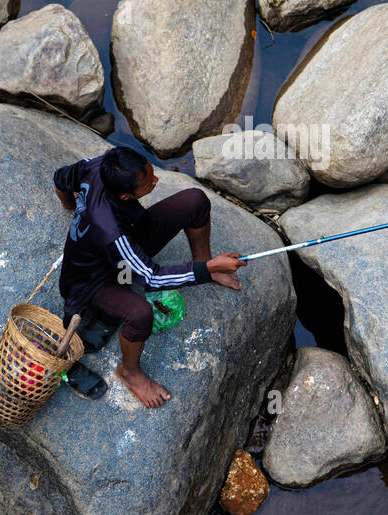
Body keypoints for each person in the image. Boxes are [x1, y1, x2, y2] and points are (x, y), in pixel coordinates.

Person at [53, 146, 246, 408]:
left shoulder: (100, 165)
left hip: (130, 233)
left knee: (196, 201)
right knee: (140, 313)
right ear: (124, 195)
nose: (155, 181)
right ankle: (130, 372)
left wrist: (70, 205)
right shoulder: (111, 232)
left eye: (151, 173)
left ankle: (204, 261)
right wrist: (207, 271)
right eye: (147, 184)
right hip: (94, 279)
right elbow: (152, 278)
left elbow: (60, 177)